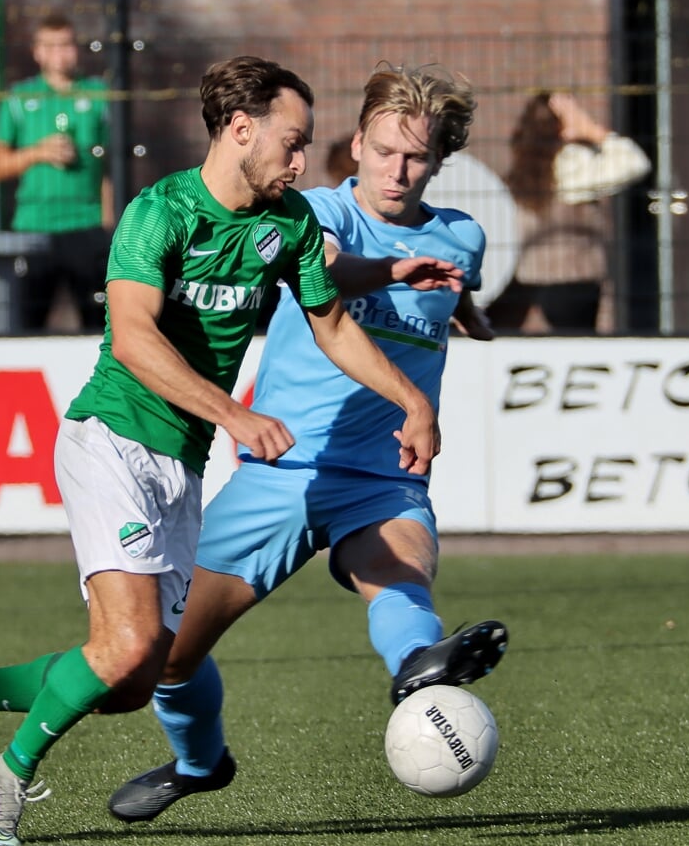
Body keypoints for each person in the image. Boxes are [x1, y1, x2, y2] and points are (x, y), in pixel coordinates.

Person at [0, 56, 442, 846]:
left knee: (131, 678)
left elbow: (333, 324)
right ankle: (6, 774)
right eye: (292, 141)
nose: (303, 161)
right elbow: (132, 339)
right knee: (129, 645)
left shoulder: (292, 223)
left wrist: (410, 400)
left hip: (182, 465)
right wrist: (232, 413)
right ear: (241, 129)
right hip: (112, 440)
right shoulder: (160, 212)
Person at [105, 64, 506, 824]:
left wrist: (463, 315)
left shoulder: (462, 237)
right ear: (355, 142)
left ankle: (420, 670)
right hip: (282, 469)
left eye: (415, 157)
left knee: (400, 574)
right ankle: (198, 763)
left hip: (382, 477)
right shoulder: (312, 212)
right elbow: (326, 272)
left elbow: (452, 293)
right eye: (383, 149)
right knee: (166, 658)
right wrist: (392, 272)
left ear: (439, 163)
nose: (396, 169)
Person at [484, 92, 650, 335]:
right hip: (571, 279)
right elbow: (634, 162)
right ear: (560, 126)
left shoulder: (521, 172)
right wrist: (592, 129)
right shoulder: (572, 166)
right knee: (577, 344)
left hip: (525, 277)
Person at [0, 11, 112, 332]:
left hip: (86, 224)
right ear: (37, 52)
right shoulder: (19, 99)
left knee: (97, 323)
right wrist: (37, 153)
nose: (60, 53)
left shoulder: (98, 95)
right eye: (51, 46)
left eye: (66, 45)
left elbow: (110, 166)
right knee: (27, 323)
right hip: (34, 228)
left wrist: (108, 223)